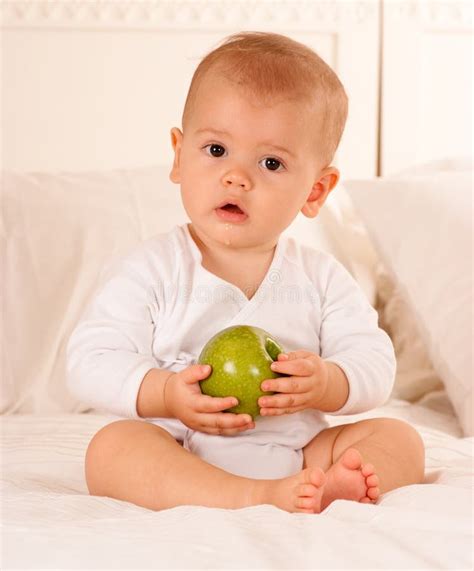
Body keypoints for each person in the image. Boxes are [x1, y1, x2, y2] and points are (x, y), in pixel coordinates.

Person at [67, 31, 425, 514]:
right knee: (112, 448)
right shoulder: (150, 269)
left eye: (271, 162)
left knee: (399, 438)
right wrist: (167, 394)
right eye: (216, 150)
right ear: (178, 155)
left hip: (298, 453)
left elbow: (374, 361)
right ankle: (251, 496)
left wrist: (327, 382)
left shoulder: (321, 278)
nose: (237, 176)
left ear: (316, 191)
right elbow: (90, 360)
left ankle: (326, 487)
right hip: (184, 449)